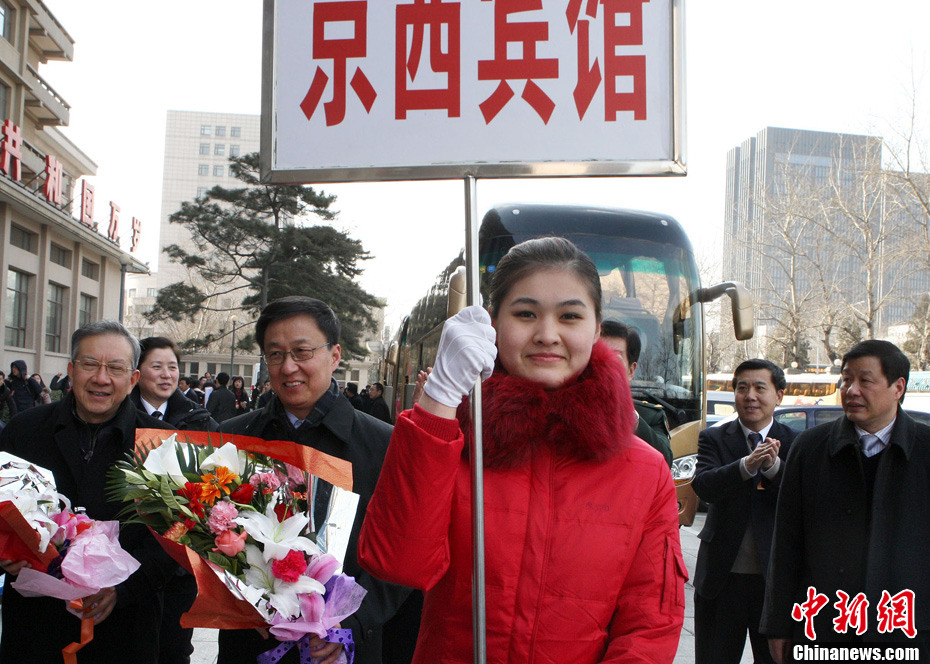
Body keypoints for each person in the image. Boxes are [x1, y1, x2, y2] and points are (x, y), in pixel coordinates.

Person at [359, 237, 686, 663]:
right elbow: (398, 563)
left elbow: (650, 626)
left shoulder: (645, 470)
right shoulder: (452, 444)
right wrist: (439, 397)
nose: (547, 335)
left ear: (596, 328)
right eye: (525, 314)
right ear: (493, 322)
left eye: (570, 316)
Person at [216, 296, 411, 664]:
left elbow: (403, 552)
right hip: (251, 645)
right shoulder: (231, 439)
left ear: (334, 355)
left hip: (342, 648)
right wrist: (243, 602)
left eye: (302, 352)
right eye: (275, 354)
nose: (289, 367)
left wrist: (350, 623)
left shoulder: (385, 444)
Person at [0, 321, 184, 663]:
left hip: (125, 628)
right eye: (90, 364)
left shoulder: (161, 442)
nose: (101, 378)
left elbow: (177, 534)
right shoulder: (24, 430)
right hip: (34, 625)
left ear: (132, 379)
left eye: (115, 368)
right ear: (71, 371)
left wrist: (124, 589)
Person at [762, 340, 930, 660]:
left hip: (907, 629)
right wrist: (778, 624)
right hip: (824, 626)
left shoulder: (925, 450)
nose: (851, 390)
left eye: (865, 380)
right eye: (846, 379)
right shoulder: (810, 448)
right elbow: (786, 543)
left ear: (898, 387)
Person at [691, 359, 795, 664]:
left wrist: (773, 468)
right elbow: (704, 486)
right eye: (742, 388)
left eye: (760, 388)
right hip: (722, 580)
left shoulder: (797, 441)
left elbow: (802, 498)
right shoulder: (713, 437)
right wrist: (745, 466)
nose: (750, 396)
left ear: (779, 395)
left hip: (774, 583)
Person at [129, 336, 216, 663]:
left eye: (173, 367)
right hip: (131, 549)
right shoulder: (121, 416)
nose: (167, 375)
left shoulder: (198, 419)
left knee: (175, 646)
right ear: (138, 372)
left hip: (180, 555)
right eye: (157, 366)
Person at [600, 320, 673, 466]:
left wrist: (627, 413)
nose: (604, 367)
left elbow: (665, 461)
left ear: (631, 371)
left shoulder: (651, 417)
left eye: (614, 360)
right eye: (598, 356)